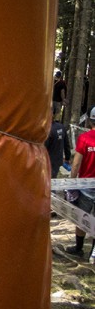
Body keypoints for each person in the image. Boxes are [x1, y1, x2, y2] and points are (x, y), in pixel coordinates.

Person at [68, 106, 95, 258]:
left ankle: (79, 248)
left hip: (86, 186)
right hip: (88, 185)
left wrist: (71, 182)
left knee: (82, 217)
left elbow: (76, 163)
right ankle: (93, 252)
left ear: (90, 121)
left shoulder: (84, 138)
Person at [45, 110, 71, 179]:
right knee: (53, 180)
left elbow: (43, 148)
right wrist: (67, 157)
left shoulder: (47, 130)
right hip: (57, 161)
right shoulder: (61, 127)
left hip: (48, 162)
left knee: (49, 182)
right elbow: (67, 144)